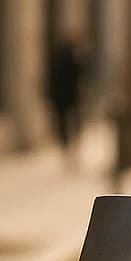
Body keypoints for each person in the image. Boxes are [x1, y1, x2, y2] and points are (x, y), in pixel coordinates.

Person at [46, 30, 86, 164]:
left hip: (63, 97)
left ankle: (67, 145)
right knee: (71, 121)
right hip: (69, 96)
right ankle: (70, 145)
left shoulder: (58, 58)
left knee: (65, 122)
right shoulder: (73, 58)